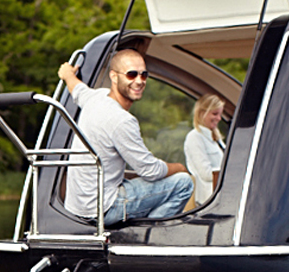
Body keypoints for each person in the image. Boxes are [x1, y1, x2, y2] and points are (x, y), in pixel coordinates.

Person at [58, 49, 193, 225]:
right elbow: (150, 171)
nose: (139, 81)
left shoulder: (96, 97)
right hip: (104, 208)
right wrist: (180, 167)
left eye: (144, 75)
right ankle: (148, 236)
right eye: (131, 75)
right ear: (114, 77)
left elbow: (76, 88)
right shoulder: (122, 120)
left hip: (78, 206)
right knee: (183, 183)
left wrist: (67, 74)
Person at [184, 94, 225, 206]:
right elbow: (206, 174)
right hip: (207, 202)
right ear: (202, 113)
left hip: (222, 196)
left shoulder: (216, 138)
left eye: (220, 114)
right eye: (215, 114)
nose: (219, 118)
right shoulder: (195, 137)